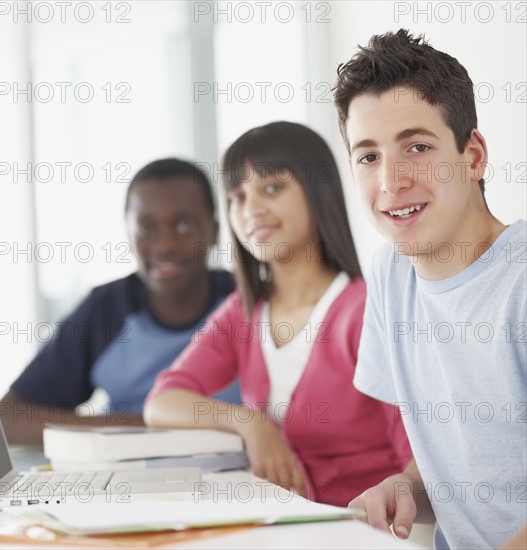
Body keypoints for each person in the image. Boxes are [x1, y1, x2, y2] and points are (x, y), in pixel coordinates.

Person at [144, 122, 412, 506]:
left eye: (272, 188)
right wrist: (249, 422)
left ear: (318, 194)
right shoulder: (243, 312)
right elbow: (162, 402)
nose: (250, 210)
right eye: (236, 196)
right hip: (275, 526)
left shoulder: (368, 313)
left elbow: (416, 465)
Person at [333, 29, 526, 549]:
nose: (392, 182)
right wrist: (409, 486)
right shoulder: (392, 274)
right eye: (368, 156)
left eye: (417, 147)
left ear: (474, 155)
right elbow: (472, 453)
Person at [0, 158, 240, 445]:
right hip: (128, 471)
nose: (166, 245)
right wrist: (136, 426)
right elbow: (8, 417)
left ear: (213, 231)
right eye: (147, 230)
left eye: (185, 226)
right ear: (128, 234)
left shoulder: (245, 302)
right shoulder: (106, 309)